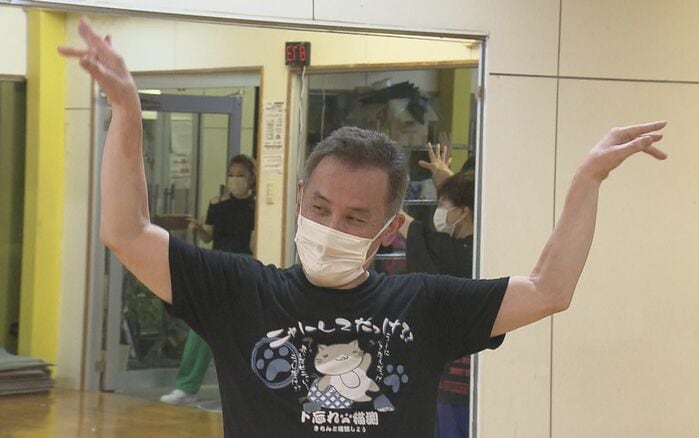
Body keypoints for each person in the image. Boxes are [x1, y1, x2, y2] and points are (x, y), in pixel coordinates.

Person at [60, 20, 667, 437]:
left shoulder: (424, 304)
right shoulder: (239, 293)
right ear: (300, 199)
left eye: (355, 218)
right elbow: (126, 231)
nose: (332, 226)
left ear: (390, 228)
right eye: (321, 208)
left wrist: (587, 180)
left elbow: (549, 289)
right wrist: (128, 112)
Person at [160, 154, 257, 405]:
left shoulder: (257, 208)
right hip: (215, 263)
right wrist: (198, 228)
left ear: (251, 178)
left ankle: (247, 390)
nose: (235, 179)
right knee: (201, 325)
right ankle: (186, 386)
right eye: (231, 175)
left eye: (241, 175)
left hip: (244, 265)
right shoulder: (217, 204)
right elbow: (208, 237)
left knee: (243, 329)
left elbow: (254, 244)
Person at [398, 169, 475, 438]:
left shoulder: (445, 250)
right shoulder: (484, 250)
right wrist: (452, 183)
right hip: (476, 377)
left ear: (463, 212)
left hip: (451, 381)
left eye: (442, 205)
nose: (438, 213)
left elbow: (405, 224)